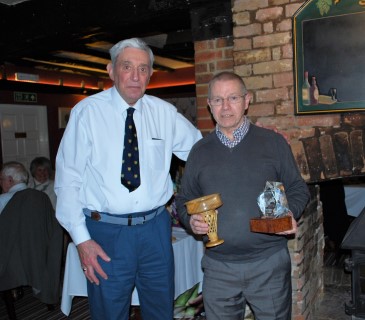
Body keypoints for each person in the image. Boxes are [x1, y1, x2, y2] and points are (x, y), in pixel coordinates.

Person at [54, 37, 202, 320]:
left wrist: (241, 141)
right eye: (127, 67)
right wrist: (82, 241)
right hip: (105, 233)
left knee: (161, 311)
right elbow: (67, 181)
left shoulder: (165, 113)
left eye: (143, 69)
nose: (135, 76)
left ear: (150, 74)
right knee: (109, 312)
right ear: (111, 71)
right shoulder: (86, 113)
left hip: (155, 231)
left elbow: (202, 152)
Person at [176, 71, 310, 320]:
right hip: (218, 268)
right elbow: (184, 200)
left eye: (233, 98)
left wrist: (291, 212)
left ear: (247, 100)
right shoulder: (199, 152)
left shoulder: (273, 143)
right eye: (217, 100)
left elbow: (298, 188)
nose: (225, 106)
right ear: (209, 105)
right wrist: (190, 220)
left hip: (267, 263)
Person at [0, 161, 63, 317]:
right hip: (39, 256)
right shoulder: (41, 198)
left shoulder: (2, 200)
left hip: (11, 261)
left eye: (1, 179)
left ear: (9, 180)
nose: (0, 182)